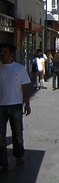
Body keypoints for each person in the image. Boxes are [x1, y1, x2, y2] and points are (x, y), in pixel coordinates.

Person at [0, 43, 31, 171]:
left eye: (4, 52)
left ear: (11, 54)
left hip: (16, 105)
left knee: (17, 133)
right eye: (0, 52)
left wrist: (27, 104)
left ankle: (19, 155)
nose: (2, 54)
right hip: (1, 106)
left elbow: (25, 88)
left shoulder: (19, 68)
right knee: (0, 136)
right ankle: (2, 162)